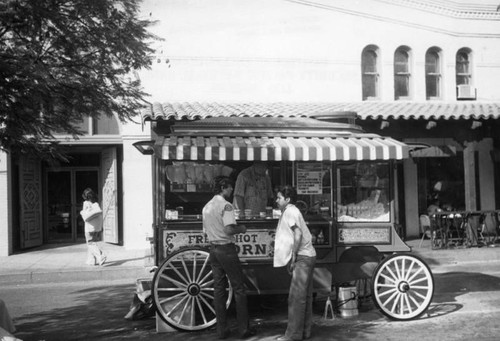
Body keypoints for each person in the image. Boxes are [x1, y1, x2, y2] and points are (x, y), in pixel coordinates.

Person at [202, 176, 256, 339]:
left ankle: (222, 330)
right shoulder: (226, 206)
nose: (232, 190)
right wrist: (242, 228)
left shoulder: (207, 206)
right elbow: (229, 230)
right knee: (239, 288)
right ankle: (243, 330)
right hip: (226, 249)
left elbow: (205, 231)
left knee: (219, 290)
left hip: (214, 250)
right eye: (230, 187)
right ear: (223, 187)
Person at [273, 185, 316, 341]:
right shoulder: (292, 211)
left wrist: (293, 256)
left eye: (279, 198)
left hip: (303, 257)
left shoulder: (290, 211)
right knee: (304, 297)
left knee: (296, 298)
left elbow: (297, 234)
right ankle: (304, 332)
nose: (276, 200)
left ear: (288, 199)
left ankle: (292, 336)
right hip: (308, 255)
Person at [80, 188, 106, 266]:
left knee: (90, 243)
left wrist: (82, 212)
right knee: (91, 243)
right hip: (96, 227)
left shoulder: (86, 203)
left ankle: (100, 256)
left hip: (89, 227)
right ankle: (91, 260)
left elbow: (86, 215)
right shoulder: (96, 204)